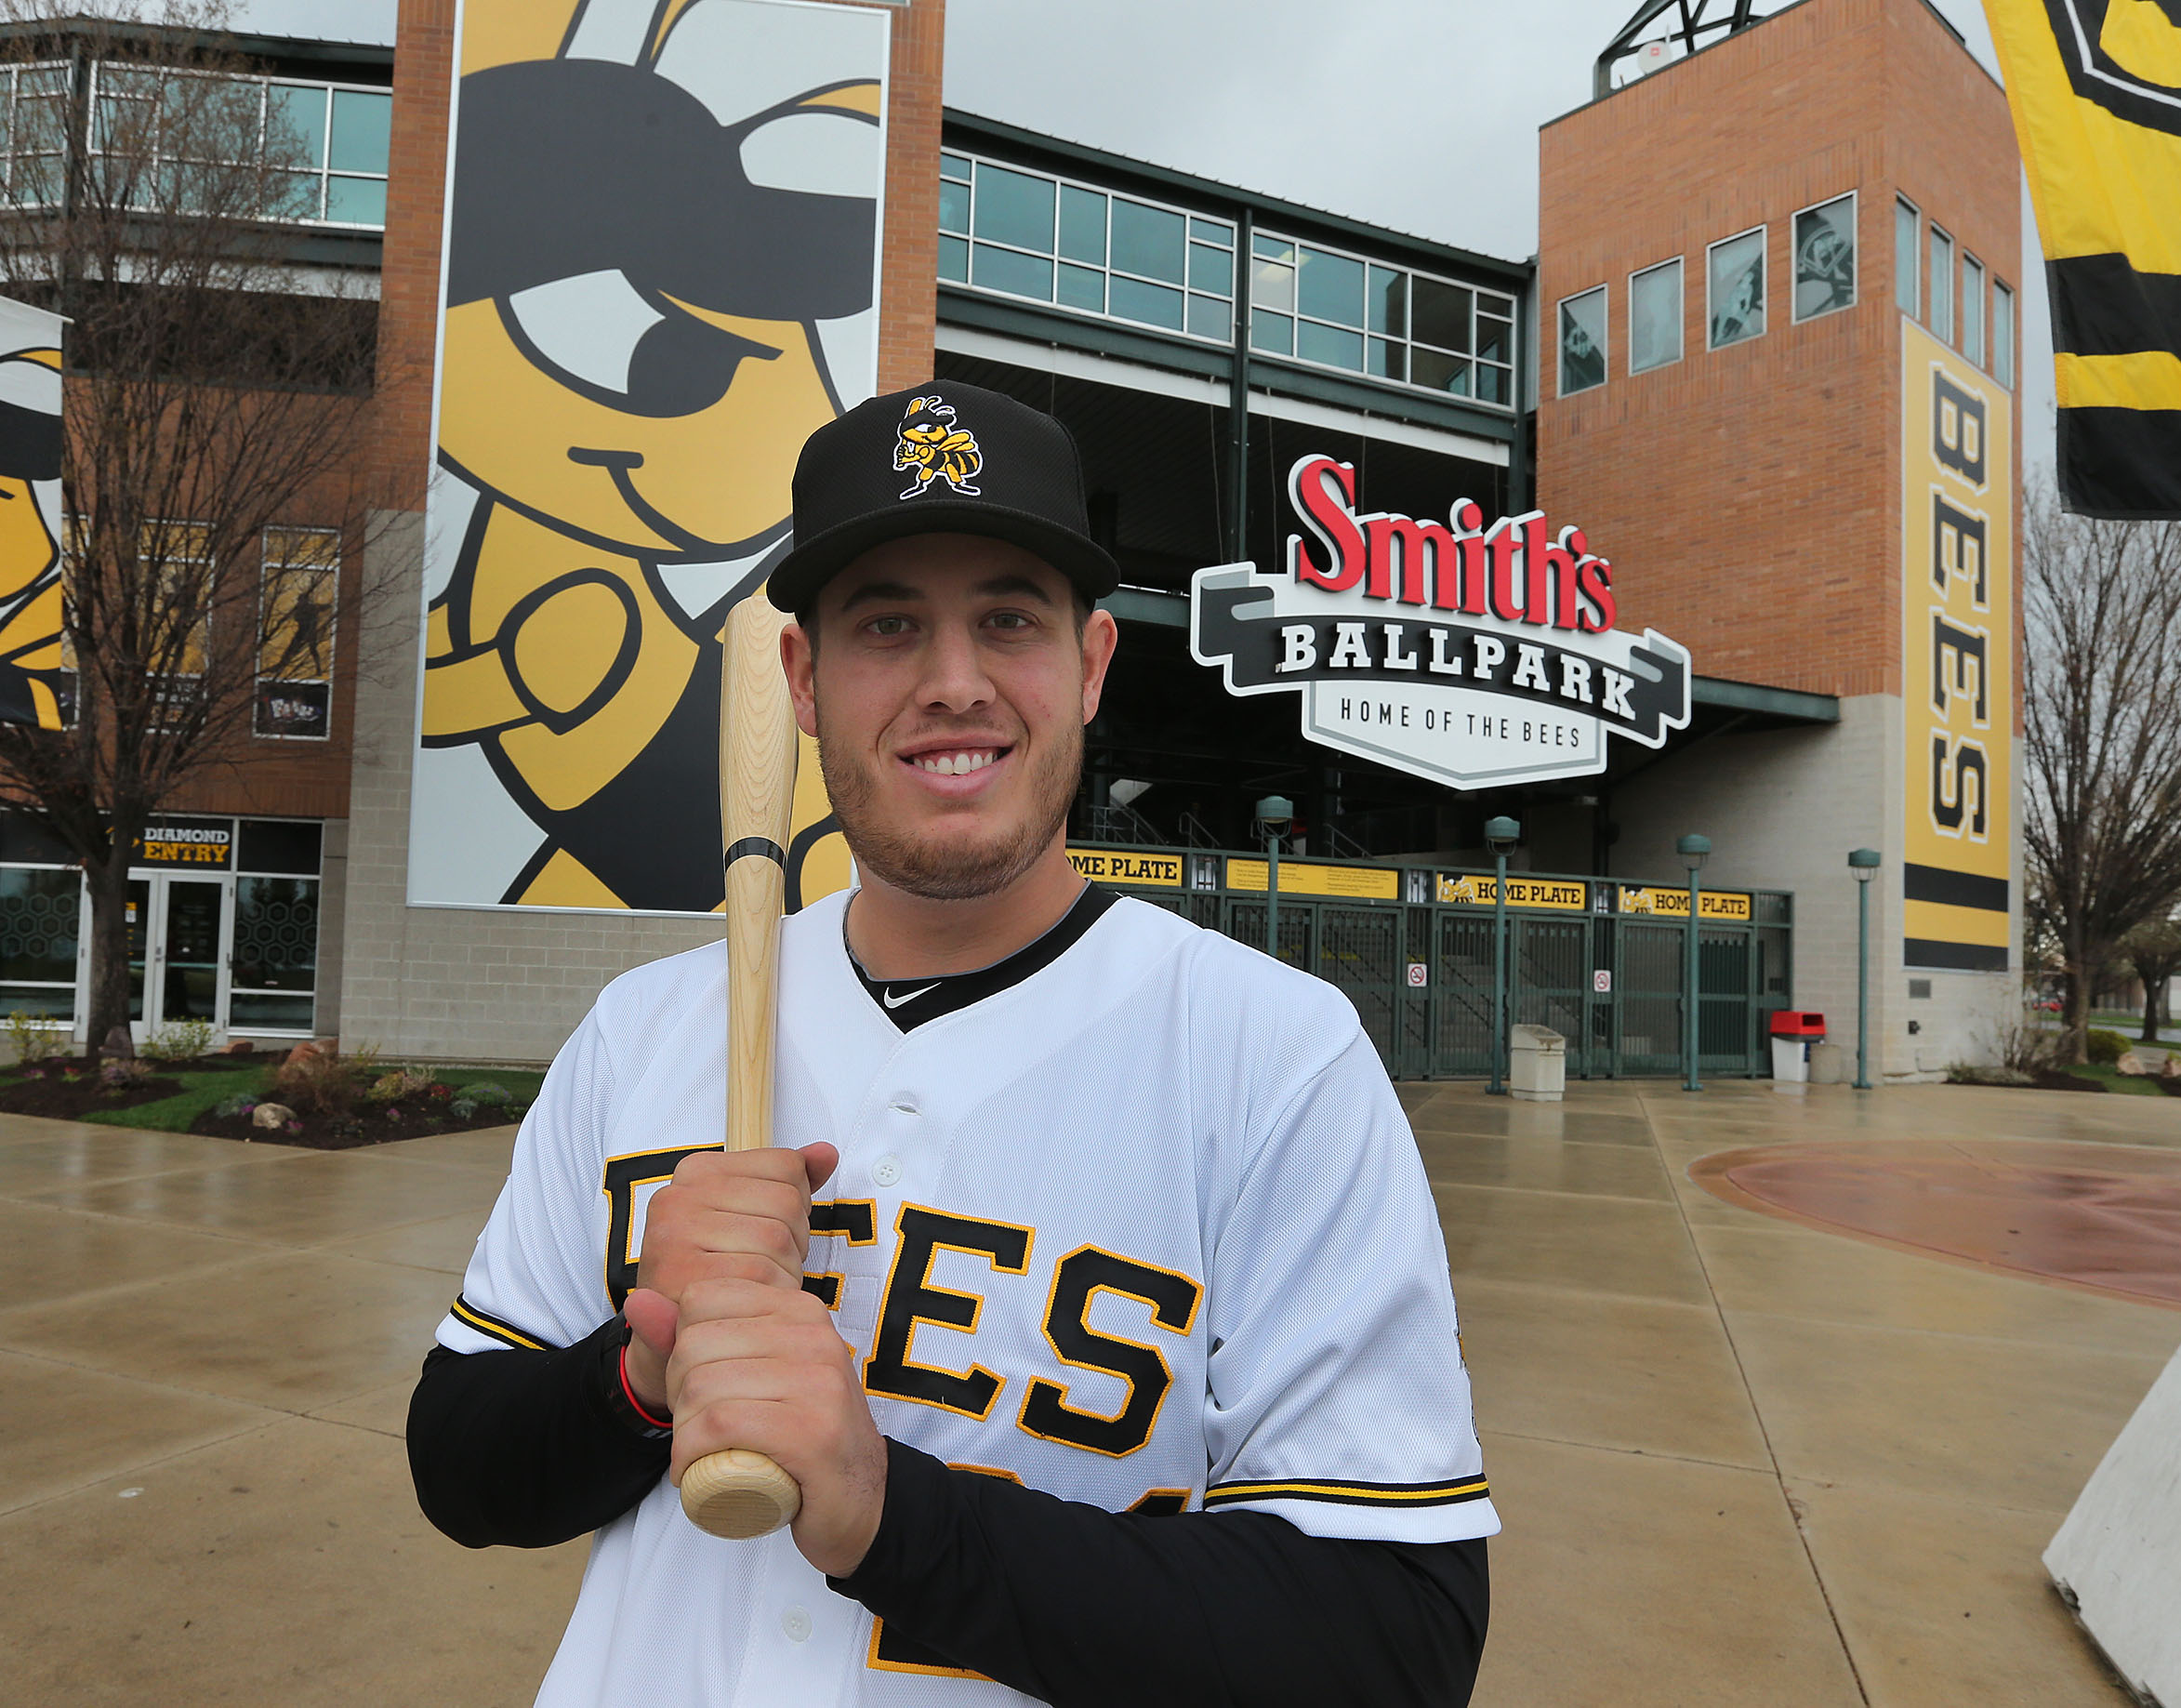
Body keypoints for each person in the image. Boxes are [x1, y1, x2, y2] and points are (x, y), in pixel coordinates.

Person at [407, 380, 1496, 1707]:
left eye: (1007, 618)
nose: (954, 682)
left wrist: (890, 1520)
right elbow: (458, 1464)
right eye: (887, 623)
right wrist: (638, 1370)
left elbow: (1393, 1639)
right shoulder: (645, 1028)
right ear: (803, 681)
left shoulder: (1273, 1054)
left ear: (1092, 663)